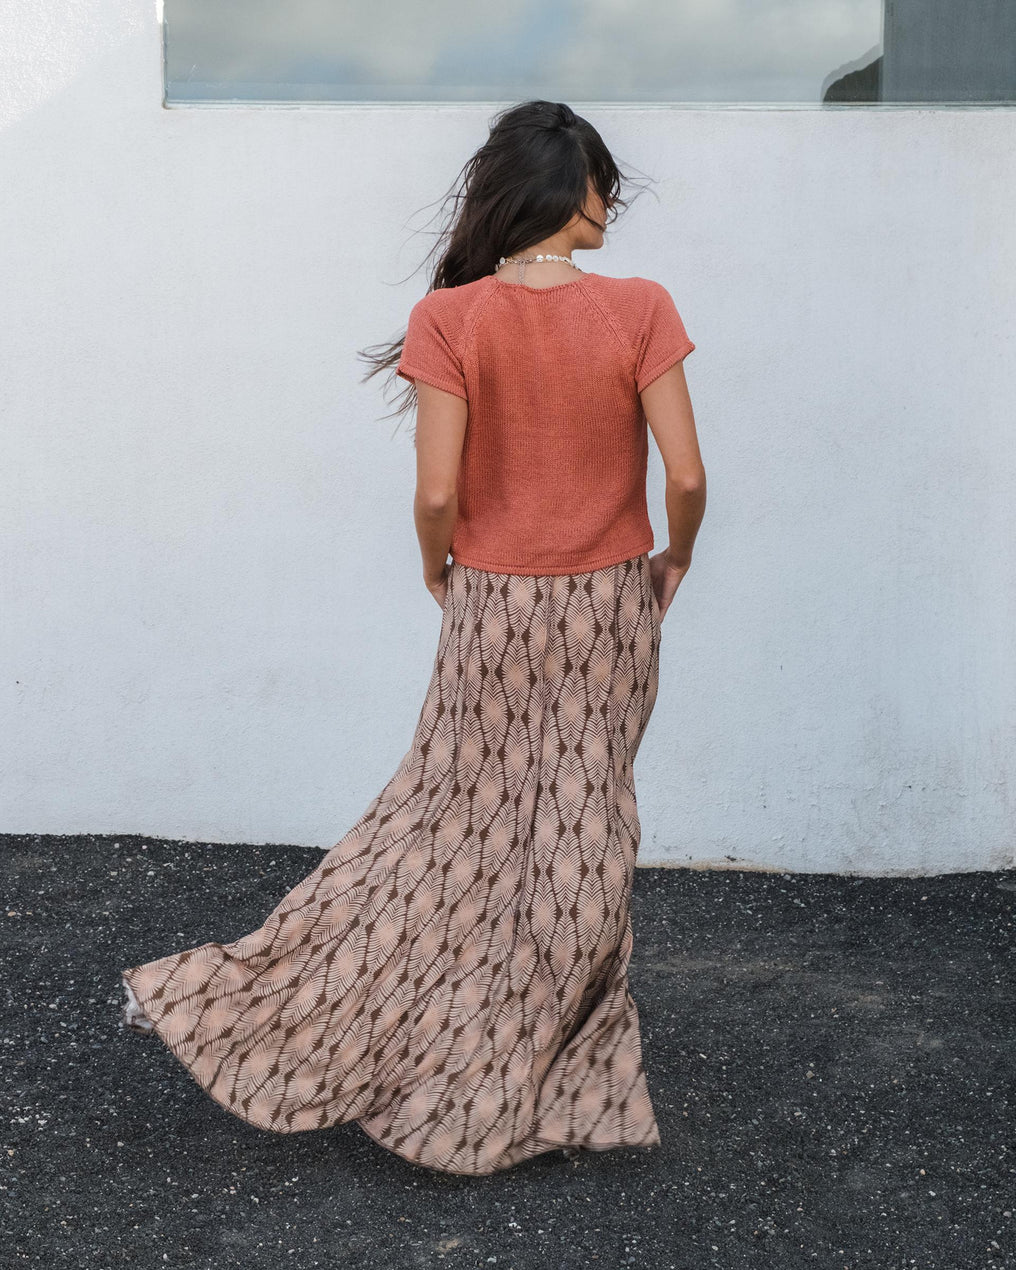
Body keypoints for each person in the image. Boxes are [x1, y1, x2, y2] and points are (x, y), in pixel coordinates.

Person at [119, 98, 706, 1178]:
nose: (609, 203)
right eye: (600, 185)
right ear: (563, 192)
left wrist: (436, 566)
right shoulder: (640, 307)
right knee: (585, 826)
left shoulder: (449, 320)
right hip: (611, 603)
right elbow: (684, 475)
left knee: (446, 822)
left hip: (490, 601)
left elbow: (436, 489)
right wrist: (674, 557)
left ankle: (274, 1003)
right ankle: (528, 1078)